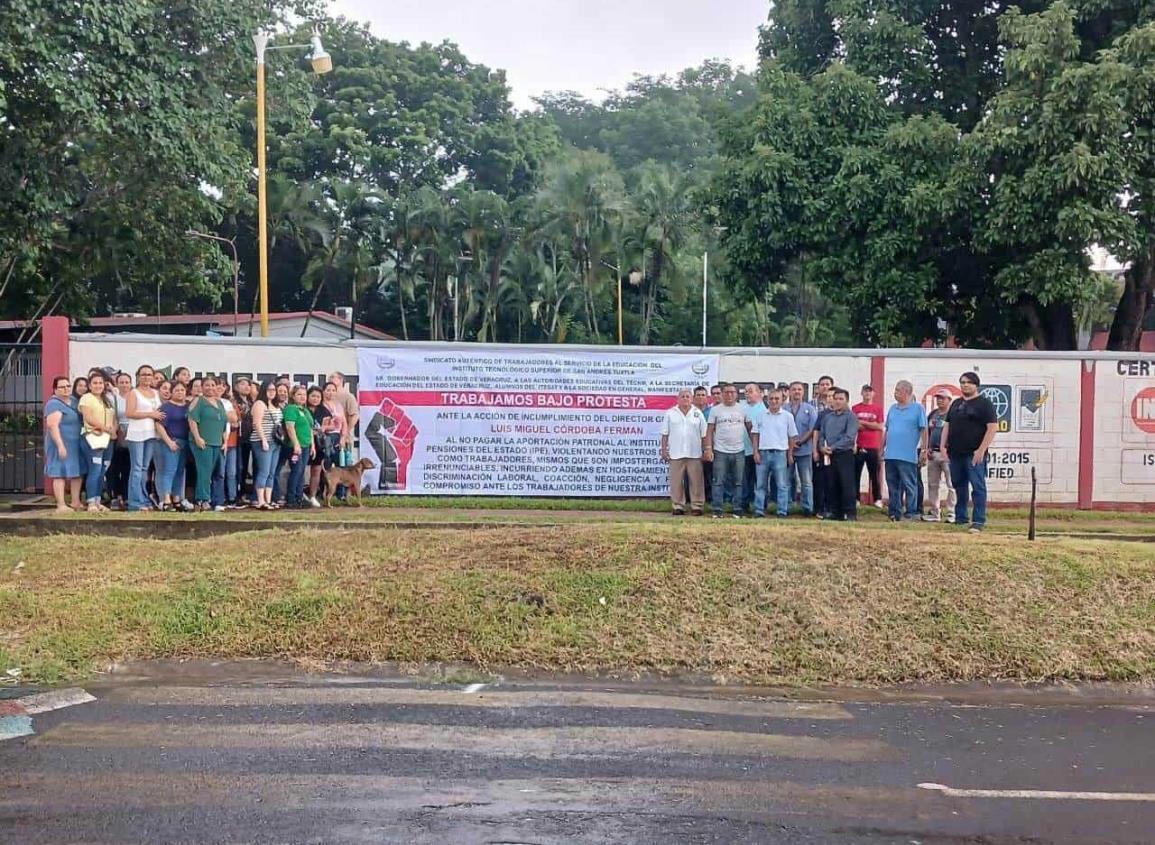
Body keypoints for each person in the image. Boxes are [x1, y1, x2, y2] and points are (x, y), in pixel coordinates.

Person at [942, 371, 998, 533]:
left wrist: (981, 450)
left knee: (977, 486)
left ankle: (978, 521)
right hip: (955, 453)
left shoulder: (984, 404)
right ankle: (961, 517)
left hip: (973, 454)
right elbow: (947, 425)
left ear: (976, 385)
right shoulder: (956, 403)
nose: (965, 385)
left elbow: (992, 428)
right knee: (959, 485)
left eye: (968, 382)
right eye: (962, 382)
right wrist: (943, 446)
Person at [882, 380, 927, 522]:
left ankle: (911, 511)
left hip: (907, 455)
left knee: (910, 485)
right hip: (890, 454)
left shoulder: (918, 408)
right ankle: (895, 511)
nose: (894, 393)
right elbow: (887, 429)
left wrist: (924, 449)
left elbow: (924, 430)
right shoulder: (893, 409)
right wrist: (881, 447)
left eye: (897, 390)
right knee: (892, 485)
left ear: (906, 391)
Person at [659, 388, 709, 516]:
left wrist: (707, 449)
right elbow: (665, 434)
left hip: (694, 453)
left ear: (692, 399)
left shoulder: (697, 413)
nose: (685, 398)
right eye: (683, 396)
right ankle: (678, 506)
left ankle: (697, 506)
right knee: (676, 482)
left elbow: (704, 434)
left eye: (688, 396)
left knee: (697, 481)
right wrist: (664, 450)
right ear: (678, 399)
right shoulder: (670, 413)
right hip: (676, 453)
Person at [706, 383, 751, 519]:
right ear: (722, 394)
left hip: (739, 451)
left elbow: (750, 429)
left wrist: (755, 448)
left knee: (738, 482)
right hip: (720, 451)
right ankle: (717, 510)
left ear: (737, 394)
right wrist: (708, 448)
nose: (729, 395)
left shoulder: (743, 409)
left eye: (732, 392)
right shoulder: (715, 410)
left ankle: (737, 510)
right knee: (718, 481)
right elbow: (709, 430)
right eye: (726, 392)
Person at [751, 388, 797, 518]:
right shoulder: (760, 416)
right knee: (760, 485)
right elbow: (755, 435)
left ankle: (782, 511)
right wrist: (755, 452)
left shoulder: (788, 416)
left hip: (780, 454)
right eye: (771, 398)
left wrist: (790, 454)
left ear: (782, 400)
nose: (774, 401)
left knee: (782, 485)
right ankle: (759, 510)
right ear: (767, 400)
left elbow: (792, 437)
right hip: (763, 453)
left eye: (777, 398)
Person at [124, 364, 164, 512]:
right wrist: (150, 414)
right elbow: (130, 413)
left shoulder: (155, 393)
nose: (146, 377)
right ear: (138, 377)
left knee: (145, 468)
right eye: (143, 374)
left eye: (149, 374)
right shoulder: (134, 393)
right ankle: (135, 502)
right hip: (137, 434)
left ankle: (143, 498)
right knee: (136, 468)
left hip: (152, 434)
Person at [76, 371, 116, 512]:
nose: (98, 385)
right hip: (92, 437)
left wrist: (113, 431)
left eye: (100, 383)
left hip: (107, 439)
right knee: (95, 469)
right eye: (95, 383)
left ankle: (98, 501)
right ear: (89, 385)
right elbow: (89, 418)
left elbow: (113, 418)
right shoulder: (86, 398)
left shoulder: (107, 399)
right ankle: (91, 501)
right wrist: (105, 428)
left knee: (102, 471)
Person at [188, 375, 228, 511]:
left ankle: (205, 498)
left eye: (213, 385)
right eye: (207, 385)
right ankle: (202, 500)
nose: (210, 388)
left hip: (217, 442)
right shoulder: (199, 401)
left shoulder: (220, 403)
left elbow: (223, 423)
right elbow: (192, 420)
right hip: (203, 442)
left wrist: (225, 441)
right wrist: (197, 437)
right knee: (203, 471)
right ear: (202, 387)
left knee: (209, 472)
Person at [818, 387, 859, 521]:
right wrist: (822, 447)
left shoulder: (851, 417)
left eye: (841, 399)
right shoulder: (827, 417)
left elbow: (849, 437)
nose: (837, 401)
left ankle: (850, 513)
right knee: (831, 483)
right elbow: (822, 434)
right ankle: (835, 512)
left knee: (846, 484)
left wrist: (833, 447)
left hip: (844, 454)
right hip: (829, 455)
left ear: (847, 401)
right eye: (836, 399)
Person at [44, 376, 83, 513]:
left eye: (68, 386)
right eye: (62, 387)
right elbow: (52, 425)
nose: (66, 389)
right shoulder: (54, 404)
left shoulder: (73, 401)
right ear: (55, 389)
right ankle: (61, 505)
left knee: (76, 473)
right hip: (60, 443)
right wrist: (60, 445)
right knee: (59, 473)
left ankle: (75, 501)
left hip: (75, 444)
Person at [156, 381, 193, 511]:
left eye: (182, 390)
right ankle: (166, 499)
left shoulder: (189, 406)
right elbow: (159, 425)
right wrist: (169, 442)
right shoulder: (166, 407)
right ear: (171, 392)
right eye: (176, 390)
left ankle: (177, 498)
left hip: (185, 442)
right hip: (171, 441)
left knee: (180, 471)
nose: (180, 392)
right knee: (169, 470)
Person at [923, 389, 957, 522]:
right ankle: (934, 511)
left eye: (943, 398)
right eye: (938, 398)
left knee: (951, 484)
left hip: (948, 454)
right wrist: (927, 448)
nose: (940, 400)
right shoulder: (933, 414)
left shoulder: (953, 415)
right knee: (933, 484)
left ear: (949, 400)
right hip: (933, 453)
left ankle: (951, 512)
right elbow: (927, 432)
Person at [786, 381, 818, 517]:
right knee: (786, 480)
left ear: (803, 392)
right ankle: (786, 506)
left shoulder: (809, 409)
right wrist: (791, 444)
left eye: (799, 389)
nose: (797, 392)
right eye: (794, 389)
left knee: (806, 481)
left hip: (805, 450)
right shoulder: (784, 408)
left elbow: (813, 429)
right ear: (789, 392)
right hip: (788, 450)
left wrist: (801, 441)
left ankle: (807, 507)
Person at [249, 380, 282, 510]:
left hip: (275, 441)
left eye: (274, 390)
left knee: (271, 472)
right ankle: (260, 500)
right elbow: (257, 423)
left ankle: (268, 500)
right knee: (264, 471)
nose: (272, 392)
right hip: (262, 440)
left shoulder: (275, 405)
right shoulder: (259, 404)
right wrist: (263, 439)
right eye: (269, 390)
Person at [282, 385, 315, 508]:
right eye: (299, 394)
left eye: (304, 395)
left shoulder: (305, 410)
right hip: (295, 446)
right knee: (296, 471)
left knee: (301, 472)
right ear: (293, 396)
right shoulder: (291, 409)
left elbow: (310, 428)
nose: (302, 397)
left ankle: (299, 497)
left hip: (306, 446)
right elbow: (290, 427)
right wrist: (296, 444)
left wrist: (313, 446)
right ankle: (291, 499)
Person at [852, 385, 884, 508]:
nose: (867, 394)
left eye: (870, 392)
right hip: (859, 445)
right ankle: (856, 498)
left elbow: (879, 426)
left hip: (873, 445)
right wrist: (872, 424)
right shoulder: (856, 408)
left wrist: (863, 423)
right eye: (865, 392)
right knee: (856, 474)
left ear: (873, 394)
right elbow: (854, 426)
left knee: (874, 474)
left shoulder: (878, 409)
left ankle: (877, 498)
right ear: (861, 393)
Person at [107, 371, 133, 509]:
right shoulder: (112, 398)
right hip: (117, 434)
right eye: (121, 382)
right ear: (117, 384)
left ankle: (127, 496)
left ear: (131, 383)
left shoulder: (135, 396)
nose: (124, 385)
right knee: (115, 467)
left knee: (129, 468)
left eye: (127, 382)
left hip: (134, 434)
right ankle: (116, 496)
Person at [740, 382, 767, 517]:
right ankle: (744, 505)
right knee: (745, 480)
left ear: (759, 393)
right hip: (743, 450)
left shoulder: (764, 410)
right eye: (746, 391)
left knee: (759, 481)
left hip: (759, 451)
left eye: (750, 391)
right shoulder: (741, 408)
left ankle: (760, 506)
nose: (747, 394)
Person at [812, 375, 835, 518]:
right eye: (830, 397)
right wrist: (815, 450)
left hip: (837, 453)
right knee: (820, 481)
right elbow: (816, 431)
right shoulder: (822, 414)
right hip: (822, 451)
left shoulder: (845, 413)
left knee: (834, 481)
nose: (831, 399)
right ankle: (819, 509)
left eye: (834, 396)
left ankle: (833, 508)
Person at [306, 386, 330, 507]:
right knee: (299, 470)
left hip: (319, 443)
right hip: (304, 442)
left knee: (316, 470)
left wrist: (323, 429)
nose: (315, 399)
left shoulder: (324, 410)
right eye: (313, 396)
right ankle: (298, 494)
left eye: (318, 397)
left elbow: (331, 425)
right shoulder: (303, 408)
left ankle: (313, 496)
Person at [692, 386, 713, 499]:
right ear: (694, 397)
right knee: (693, 477)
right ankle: (692, 500)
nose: (700, 397)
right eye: (698, 395)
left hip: (708, 449)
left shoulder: (712, 412)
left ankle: (709, 500)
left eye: (703, 395)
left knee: (709, 476)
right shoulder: (689, 412)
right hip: (692, 450)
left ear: (707, 397)